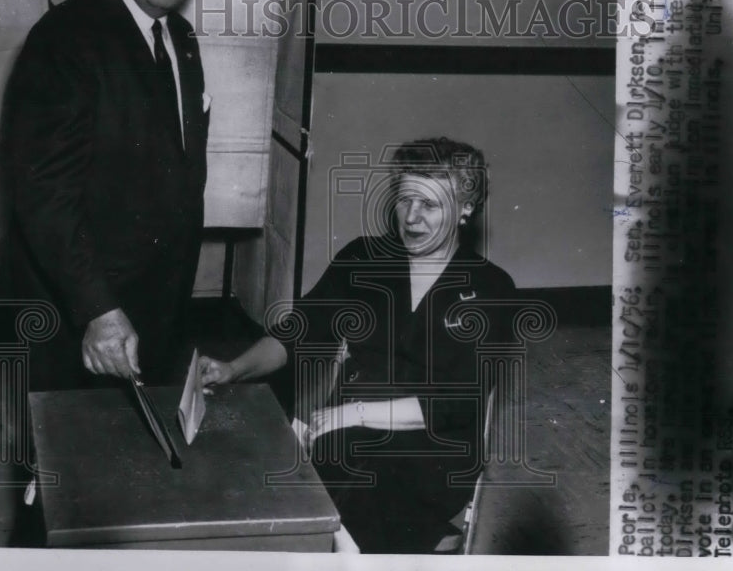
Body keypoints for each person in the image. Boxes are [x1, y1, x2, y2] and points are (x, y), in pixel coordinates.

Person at [199, 137, 518, 553]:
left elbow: (454, 402)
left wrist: (354, 412)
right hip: (346, 432)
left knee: (348, 472)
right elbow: (300, 331)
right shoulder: (365, 258)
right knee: (258, 456)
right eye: (405, 200)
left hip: (432, 449)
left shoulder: (492, 288)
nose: (412, 217)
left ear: (466, 209)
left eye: (430, 205)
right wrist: (232, 370)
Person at [0, 0, 220, 390]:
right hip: (77, 319)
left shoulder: (181, 39)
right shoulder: (66, 38)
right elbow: (45, 195)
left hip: (152, 313)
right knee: (63, 464)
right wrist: (98, 310)